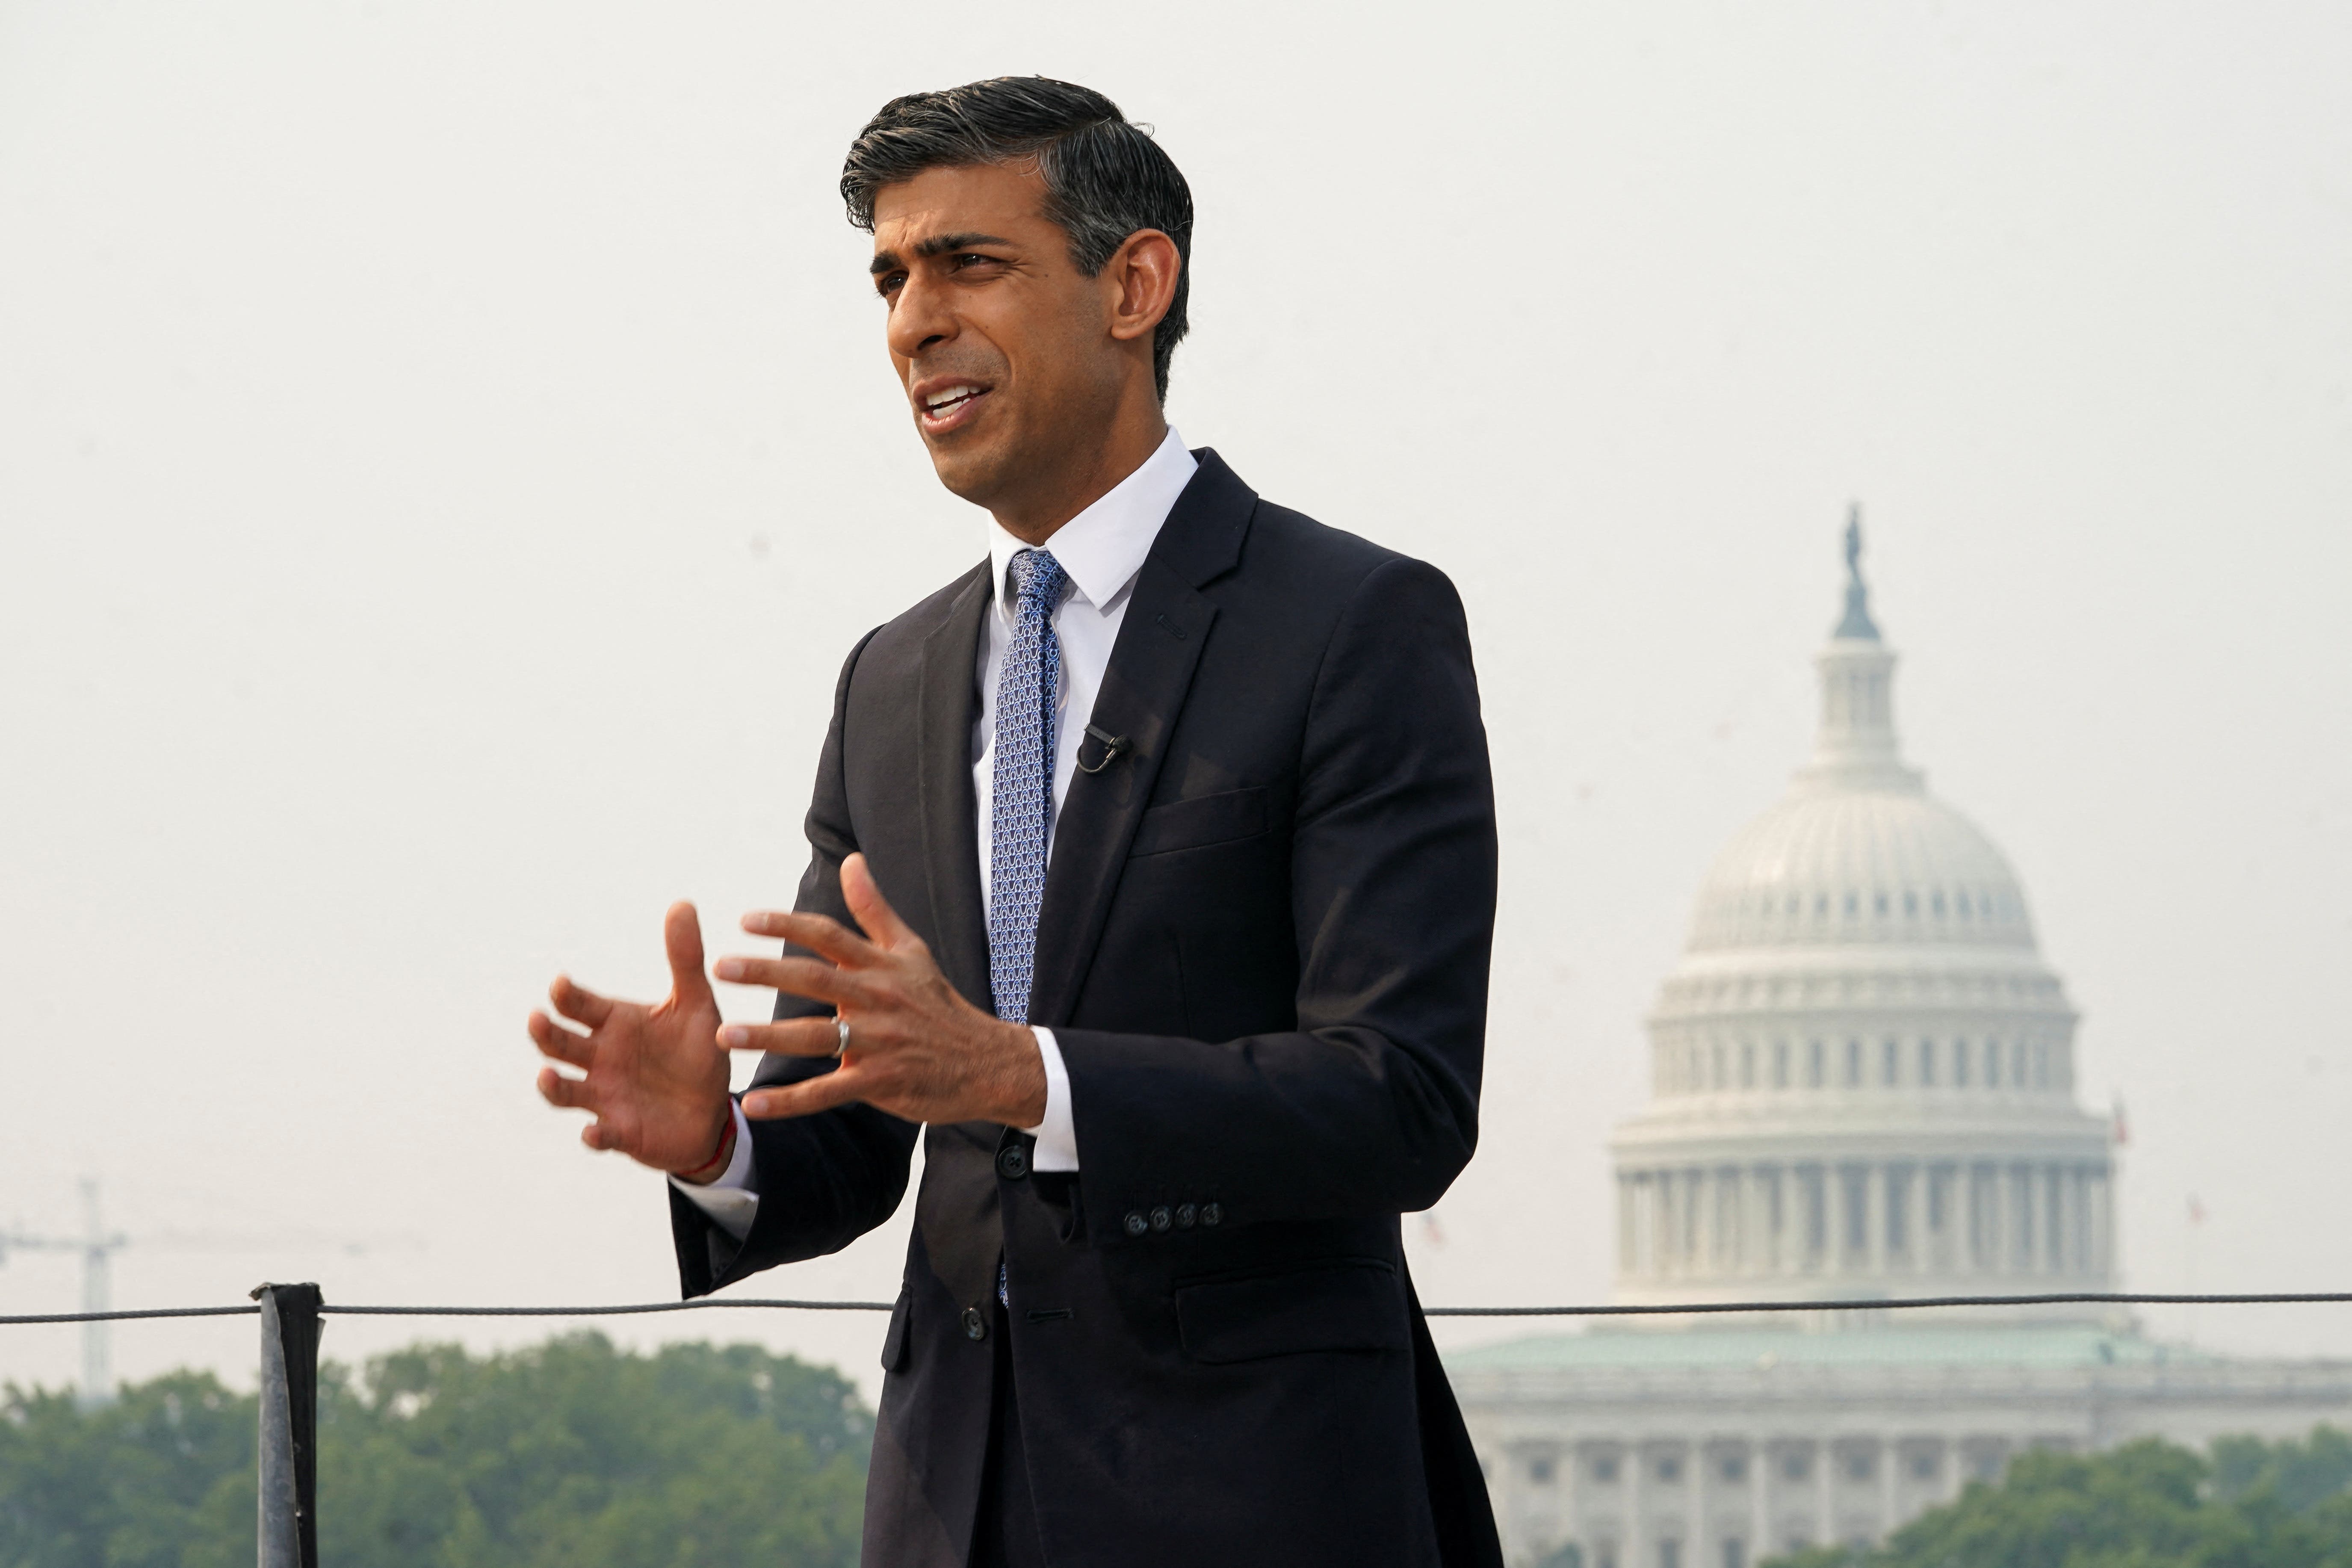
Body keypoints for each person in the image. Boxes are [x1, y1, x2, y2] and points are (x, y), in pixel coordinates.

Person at [529, 77, 1502, 1568]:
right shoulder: (891, 679)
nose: (914, 318)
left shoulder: (1352, 624)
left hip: (1262, 1504)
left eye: (968, 263)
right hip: (951, 1506)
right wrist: (720, 1135)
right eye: (890, 277)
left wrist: (1022, 1073)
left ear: (1133, 284)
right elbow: (849, 1140)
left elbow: (1402, 1097)